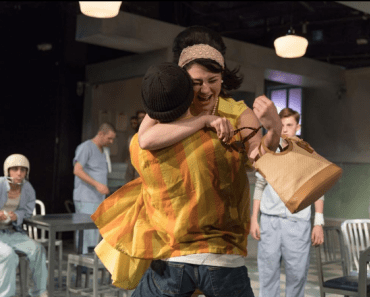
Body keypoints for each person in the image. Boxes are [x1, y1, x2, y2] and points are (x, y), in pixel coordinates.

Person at [92, 61, 268, 296]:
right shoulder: (222, 141)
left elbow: (146, 135)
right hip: (223, 257)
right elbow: (259, 160)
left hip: (172, 257)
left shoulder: (139, 148)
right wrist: (270, 128)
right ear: (191, 96)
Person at [138, 25, 282, 162]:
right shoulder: (173, 101)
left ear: (222, 77)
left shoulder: (238, 112)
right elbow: (145, 140)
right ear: (183, 80)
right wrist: (203, 120)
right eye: (196, 83)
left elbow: (257, 159)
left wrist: (275, 130)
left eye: (213, 80)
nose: (205, 89)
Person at [250, 107, 325, 297]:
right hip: (270, 221)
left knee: (297, 275)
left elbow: (318, 189)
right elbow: (260, 185)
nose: (284, 129)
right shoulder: (268, 152)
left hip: (297, 223)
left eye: (289, 125)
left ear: (297, 127)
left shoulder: (307, 154)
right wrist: (254, 218)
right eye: (281, 125)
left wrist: (318, 223)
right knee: (267, 274)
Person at [0, 154, 48, 297]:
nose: (19, 173)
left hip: (12, 232)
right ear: (7, 170)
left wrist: (17, 216)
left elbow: (27, 211)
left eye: (23, 169)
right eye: (14, 169)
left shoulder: (27, 188)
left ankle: (38, 292)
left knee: (37, 250)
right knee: (9, 255)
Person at [73, 122, 116, 254]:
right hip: (86, 197)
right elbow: (77, 170)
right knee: (84, 232)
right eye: (109, 138)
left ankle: (91, 262)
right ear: (100, 134)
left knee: (94, 232)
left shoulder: (103, 151)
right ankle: (81, 263)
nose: (111, 141)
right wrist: (97, 184)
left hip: (97, 199)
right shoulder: (86, 147)